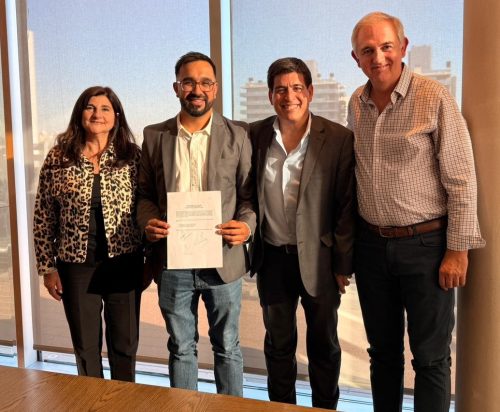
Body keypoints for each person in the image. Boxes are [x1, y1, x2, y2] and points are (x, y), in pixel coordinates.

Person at [348, 12, 485, 412]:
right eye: (367, 51)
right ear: (356, 58)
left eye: (386, 47)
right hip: (371, 248)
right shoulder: (355, 103)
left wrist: (458, 250)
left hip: (427, 247)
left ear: (403, 47)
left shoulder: (434, 97)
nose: (378, 58)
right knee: (382, 354)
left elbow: (461, 178)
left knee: (430, 358)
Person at [136, 51, 256, 396]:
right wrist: (148, 222)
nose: (197, 89)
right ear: (176, 88)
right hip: (173, 262)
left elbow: (248, 197)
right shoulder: (155, 135)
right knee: (180, 347)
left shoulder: (238, 135)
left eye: (205, 82)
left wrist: (246, 226)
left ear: (215, 89)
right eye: (188, 82)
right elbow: (144, 195)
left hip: (223, 260)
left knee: (228, 346)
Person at [250, 57, 355, 409]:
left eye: (296, 88)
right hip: (272, 259)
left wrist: (342, 264)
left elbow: (346, 205)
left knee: (323, 346)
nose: (289, 96)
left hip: (320, 260)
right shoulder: (255, 135)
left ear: (309, 92)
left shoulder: (337, 138)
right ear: (270, 96)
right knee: (278, 345)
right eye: (280, 89)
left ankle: (325, 407)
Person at [33, 86, 143, 382]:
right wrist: (47, 268)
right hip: (76, 266)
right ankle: (92, 401)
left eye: (105, 108)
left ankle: (123, 400)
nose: (97, 114)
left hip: (125, 262)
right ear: (80, 114)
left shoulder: (131, 156)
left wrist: (151, 260)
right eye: (90, 107)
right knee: (85, 347)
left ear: (116, 115)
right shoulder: (59, 157)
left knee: (125, 345)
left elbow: (146, 207)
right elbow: (43, 216)